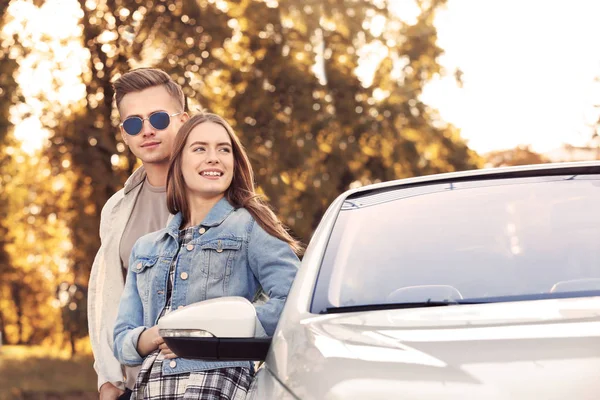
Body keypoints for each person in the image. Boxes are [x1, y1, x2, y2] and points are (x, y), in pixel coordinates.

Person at [113, 113, 301, 399]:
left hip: (216, 381)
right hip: (151, 387)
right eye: (200, 148)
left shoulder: (250, 226)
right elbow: (122, 337)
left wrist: (215, 330)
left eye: (223, 149)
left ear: (234, 162)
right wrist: (157, 335)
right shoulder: (147, 247)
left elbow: (293, 301)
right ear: (179, 162)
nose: (214, 158)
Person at [87, 68, 190, 400]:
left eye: (158, 119)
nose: (147, 131)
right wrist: (108, 380)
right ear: (124, 133)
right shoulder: (116, 209)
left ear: (184, 120)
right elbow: (107, 300)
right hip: (135, 388)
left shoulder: (219, 199)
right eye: (134, 123)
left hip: (199, 383)